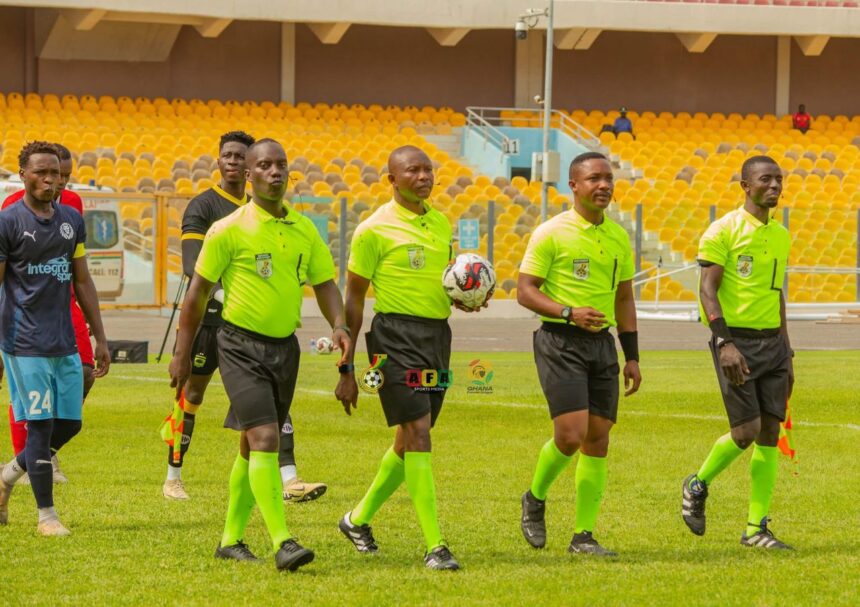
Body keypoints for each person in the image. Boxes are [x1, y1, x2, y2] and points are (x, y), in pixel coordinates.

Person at [169, 138, 349, 571]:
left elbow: (324, 283)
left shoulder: (304, 229)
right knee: (267, 438)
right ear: (248, 176)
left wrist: (339, 325)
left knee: (252, 448)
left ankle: (230, 539)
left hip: (284, 349)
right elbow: (196, 294)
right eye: (264, 165)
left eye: (281, 165)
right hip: (238, 345)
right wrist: (181, 350)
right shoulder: (228, 228)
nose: (275, 172)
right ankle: (282, 540)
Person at [336, 145, 485, 572]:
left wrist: (463, 299)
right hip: (392, 340)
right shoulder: (373, 230)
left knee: (408, 440)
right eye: (412, 170)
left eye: (428, 169)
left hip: (436, 338)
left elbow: (440, 283)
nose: (423, 176)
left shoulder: (440, 223)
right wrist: (346, 366)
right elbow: (354, 298)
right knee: (419, 434)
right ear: (392, 179)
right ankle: (435, 546)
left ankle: (356, 520)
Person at [517, 151, 641, 557]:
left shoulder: (619, 236)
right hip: (560, 341)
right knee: (570, 437)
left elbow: (624, 297)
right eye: (594, 179)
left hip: (602, 345)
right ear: (574, 185)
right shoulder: (551, 232)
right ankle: (535, 497)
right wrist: (569, 312)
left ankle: (583, 536)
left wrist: (633, 356)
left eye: (608, 178)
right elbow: (525, 290)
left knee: (598, 439)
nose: (604, 185)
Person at [681, 155, 793, 550]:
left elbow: (776, 293)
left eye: (779, 179)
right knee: (745, 432)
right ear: (746, 185)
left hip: (774, 343)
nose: (775, 186)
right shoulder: (723, 230)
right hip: (736, 341)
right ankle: (697, 484)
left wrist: (787, 348)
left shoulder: (780, 234)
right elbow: (707, 290)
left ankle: (755, 528)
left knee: (770, 432)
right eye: (766, 179)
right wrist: (724, 342)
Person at [0, 141, 110, 536]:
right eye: (42, 173)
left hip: (62, 336)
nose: (52, 180)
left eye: (58, 174)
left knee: (71, 423)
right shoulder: (8, 221)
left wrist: (100, 337)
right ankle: (47, 516)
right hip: (23, 339)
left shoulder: (71, 220)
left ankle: (8, 474)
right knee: (41, 426)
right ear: (23, 175)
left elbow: (82, 279)